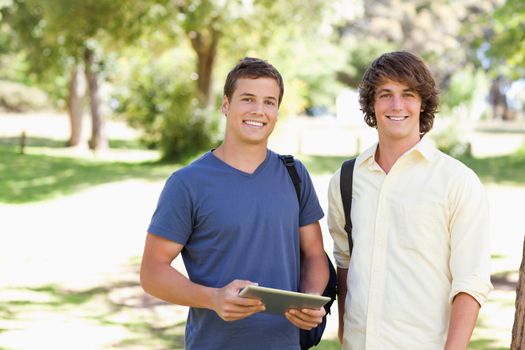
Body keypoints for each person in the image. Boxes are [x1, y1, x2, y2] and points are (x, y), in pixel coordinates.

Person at [140, 57, 328, 349]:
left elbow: (315, 254)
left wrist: (312, 299)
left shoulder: (295, 174)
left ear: (277, 111)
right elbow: (152, 271)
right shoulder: (188, 183)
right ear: (226, 105)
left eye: (269, 102)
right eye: (248, 99)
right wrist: (213, 299)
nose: (258, 110)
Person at [327, 51, 493, 349]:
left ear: (423, 103)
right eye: (385, 94)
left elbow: (471, 281)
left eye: (408, 94)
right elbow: (345, 261)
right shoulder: (347, 178)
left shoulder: (457, 180)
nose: (397, 105)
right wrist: (344, 332)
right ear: (371, 104)